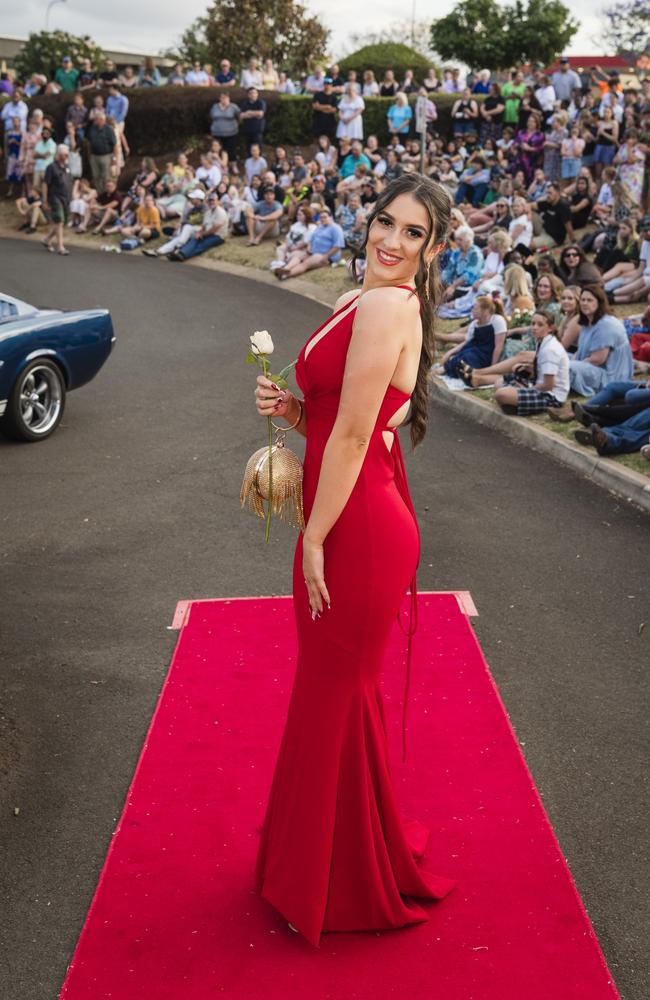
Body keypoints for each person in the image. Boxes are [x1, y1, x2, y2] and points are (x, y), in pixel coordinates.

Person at [253, 172, 455, 945]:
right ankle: (339, 863)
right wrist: (293, 409)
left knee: (334, 693)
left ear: (433, 248)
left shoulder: (385, 304)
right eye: (384, 221)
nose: (391, 240)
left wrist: (311, 537)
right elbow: (342, 420)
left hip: (357, 526)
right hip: (350, 506)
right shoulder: (363, 298)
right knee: (333, 693)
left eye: (412, 233)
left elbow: (354, 438)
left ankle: (344, 883)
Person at [492, 309, 570, 415]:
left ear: (550, 328)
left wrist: (528, 388)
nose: (534, 327)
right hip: (539, 385)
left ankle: (514, 404)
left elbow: (549, 385)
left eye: (540, 325)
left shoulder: (550, 350)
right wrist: (526, 367)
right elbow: (540, 373)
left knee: (501, 394)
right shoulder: (542, 342)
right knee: (499, 382)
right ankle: (514, 404)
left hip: (551, 397)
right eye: (533, 324)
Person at [569, 284, 633, 396]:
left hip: (609, 376)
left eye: (589, 300)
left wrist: (569, 364)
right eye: (582, 300)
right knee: (556, 357)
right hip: (591, 366)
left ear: (599, 303)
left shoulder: (606, 324)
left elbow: (597, 359)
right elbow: (580, 352)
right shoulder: (587, 321)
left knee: (567, 367)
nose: (584, 303)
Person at [441, 295, 507, 377]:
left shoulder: (497, 320)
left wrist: (492, 368)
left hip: (486, 354)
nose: (472, 311)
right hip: (474, 351)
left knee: (468, 357)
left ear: (485, 311)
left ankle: (445, 370)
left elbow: (498, 347)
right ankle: (446, 369)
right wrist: (449, 352)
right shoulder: (474, 324)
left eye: (475, 308)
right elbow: (466, 342)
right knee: (462, 354)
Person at [274, 206, 345, 279]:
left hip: (325, 255)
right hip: (313, 252)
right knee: (298, 257)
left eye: (325, 217)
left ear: (330, 217)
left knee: (305, 264)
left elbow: (337, 246)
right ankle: (286, 269)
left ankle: (284, 275)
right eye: (321, 217)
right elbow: (311, 240)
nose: (322, 219)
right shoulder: (320, 227)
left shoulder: (336, 228)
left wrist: (326, 256)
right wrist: (309, 248)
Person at [169, 190, 229, 260]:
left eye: (213, 200)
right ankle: (180, 253)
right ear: (207, 202)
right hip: (208, 233)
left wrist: (202, 234)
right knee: (195, 238)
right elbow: (204, 225)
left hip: (218, 236)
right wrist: (200, 232)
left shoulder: (221, 212)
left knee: (202, 244)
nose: (211, 202)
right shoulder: (208, 212)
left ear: (217, 201)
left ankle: (183, 255)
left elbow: (214, 229)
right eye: (210, 200)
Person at [41, 145, 73, 255]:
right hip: (55, 197)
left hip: (66, 198)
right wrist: (44, 200)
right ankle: (61, 247)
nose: (67, 156)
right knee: (59, 220)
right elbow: (45, 184)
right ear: (59, 155)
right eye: (65, 154)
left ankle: (47, 239)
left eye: (67, 154)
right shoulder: (51, 167)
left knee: (62, 222)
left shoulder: (67, 167)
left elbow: (69, 182)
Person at [531, 182, 573, 249]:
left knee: (529, 245)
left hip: (553, 238)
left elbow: (568, 226)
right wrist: (529, 214)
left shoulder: (563, 207)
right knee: (531, 213)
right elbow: (530, 205)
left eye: (550, 193)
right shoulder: (548, 202)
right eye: (547, 193)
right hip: (544, 229)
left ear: (557, 193)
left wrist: (572, 241)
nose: (547, 195)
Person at [87, 111, 117, 195]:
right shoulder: (92, 128)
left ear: (102, 120)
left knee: (106, 176)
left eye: (97, 119)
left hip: (106, 156)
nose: (95, 121)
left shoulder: (109, 130)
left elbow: (114, 145)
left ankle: (106, 193)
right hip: (94, 156)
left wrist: (114, 159)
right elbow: (89, 142)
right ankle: (100, 194)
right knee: (96, 176)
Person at [209, 91, 240, 163]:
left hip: (231, 133)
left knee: (231, 149)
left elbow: (239, 117)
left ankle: (233, 165)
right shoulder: (215, 106)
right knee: (216, 149)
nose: (223, 99)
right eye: (222, 97)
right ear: (219, 98)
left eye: (225, 97)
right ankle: (217, 165)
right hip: (217, 133)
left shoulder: (233, 107)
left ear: (228, 98)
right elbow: (211, 116)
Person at [239, 87, 267, 154]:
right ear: (248, 95)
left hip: (257, 131)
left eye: (255, 93)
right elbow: (241, 116)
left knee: (257, 150)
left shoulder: (261, 103)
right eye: (251, 93)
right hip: (247, 131)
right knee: (248, 150)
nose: (253, 95)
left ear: (257, 94)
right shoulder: (245, 103)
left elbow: (260, 114)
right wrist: (254, 114)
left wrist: (249, 112)